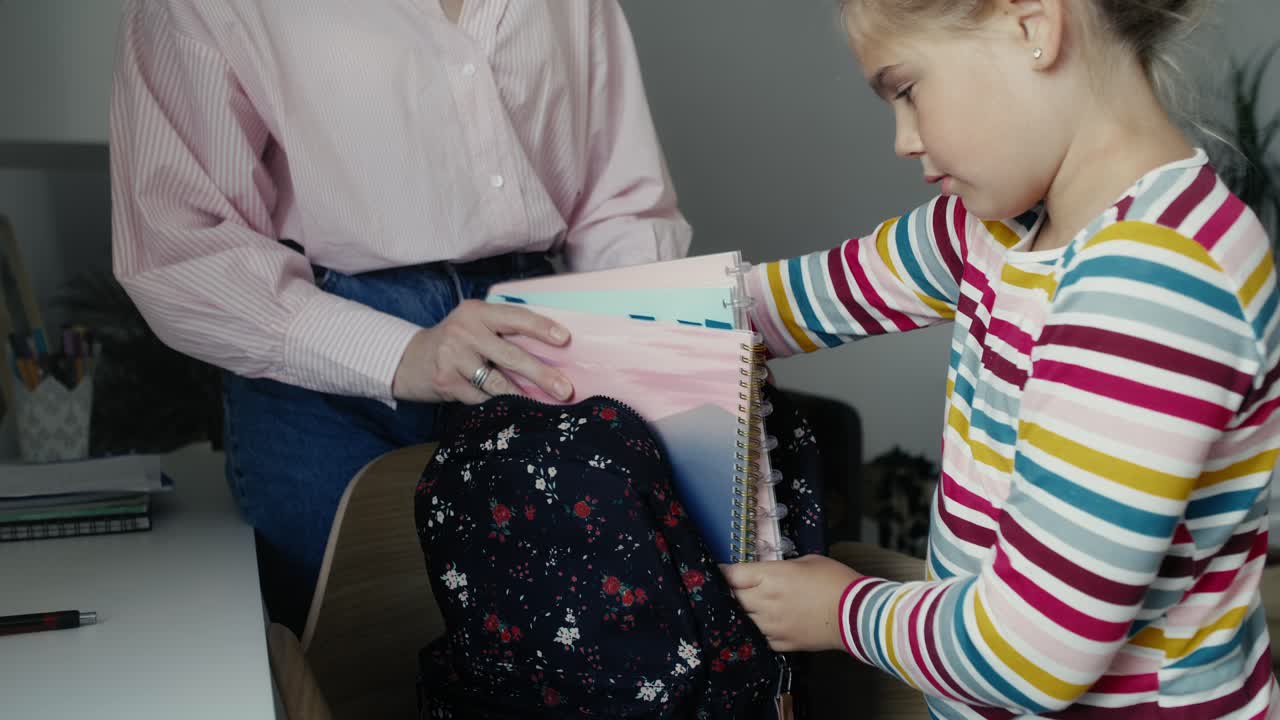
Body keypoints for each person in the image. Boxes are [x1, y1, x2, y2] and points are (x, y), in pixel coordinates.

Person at [722, 0, 1279, 716]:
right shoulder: (995, 226)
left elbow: (1032, 654)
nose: (903, 140)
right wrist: (571, 315)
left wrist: (843, 612)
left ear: (1033, 25)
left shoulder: (1157, 284)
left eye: (907, 90)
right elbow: (782, 304)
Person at [110, 0, 690, 634]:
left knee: (575, 658)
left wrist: (654, 339)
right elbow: (180, 242)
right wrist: (399, 353)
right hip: (324, 379)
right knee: (354, 670)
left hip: (542, 345)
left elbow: (618, 200)